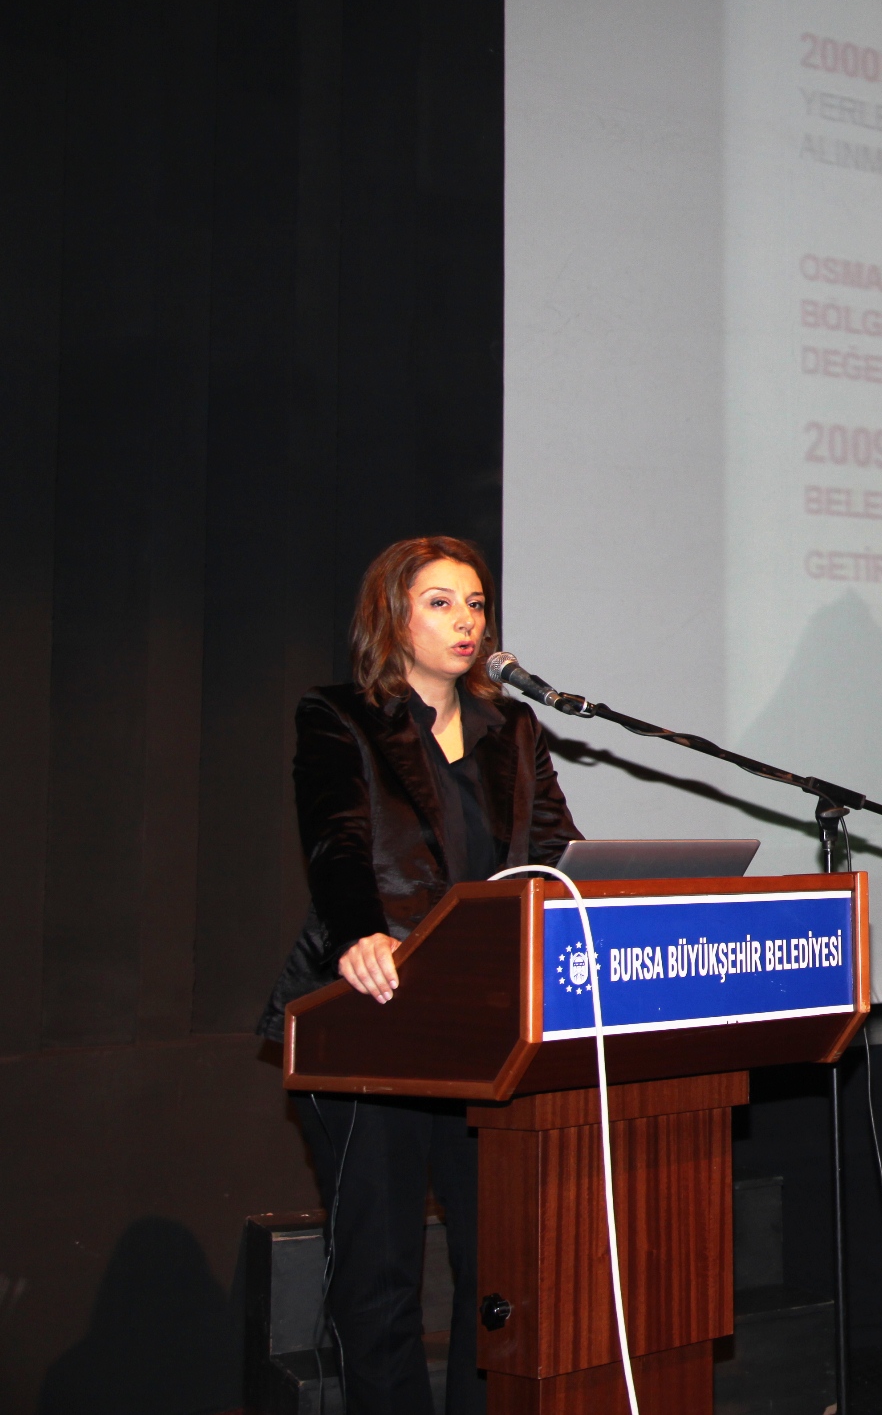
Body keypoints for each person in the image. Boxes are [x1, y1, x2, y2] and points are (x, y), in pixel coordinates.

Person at [257, 536, 582, 1414]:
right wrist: (361, 932)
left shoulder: (515, 730)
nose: (465, 620)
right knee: (382, 1271)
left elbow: (557, 854)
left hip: (489, 1023)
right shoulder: (341, 716)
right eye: (440, 602)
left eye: (475, 603)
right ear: (392, 617)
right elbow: (338, 840)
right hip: (373, 1011)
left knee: (496, 1267)